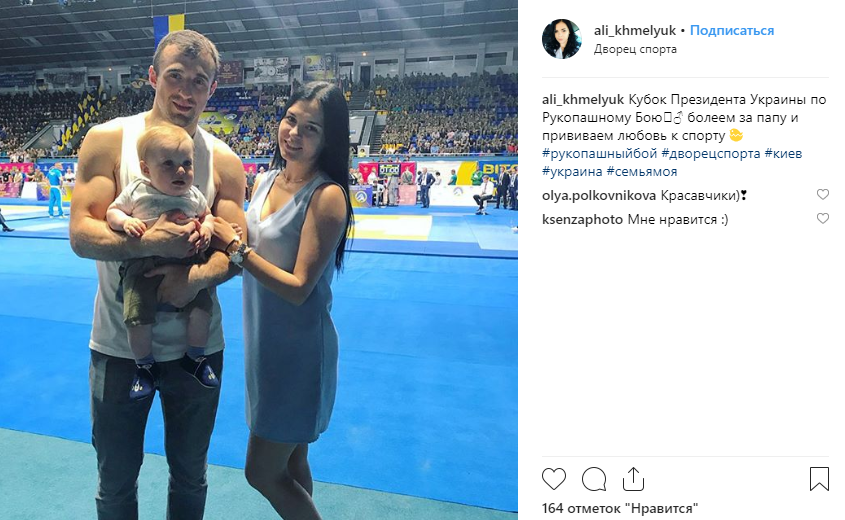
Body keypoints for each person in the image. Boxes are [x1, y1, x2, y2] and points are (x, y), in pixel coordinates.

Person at [69, 30, 246, 520]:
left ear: (212, 89)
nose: (186, 91)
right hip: (119, 346)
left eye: (199, 81)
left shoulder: (224, 161)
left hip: (198, 347)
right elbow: (81, 234)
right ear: (152, 77)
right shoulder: (109, 140)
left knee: (190, 476)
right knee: (115, 480)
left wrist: (192, 280)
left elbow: (237, 250)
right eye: (175, 76)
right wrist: (150, 242)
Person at [209, 81, 352, 520]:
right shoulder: (266, 180)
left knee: (261, 471)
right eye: (291, 119)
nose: (294, 133)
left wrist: (236, 250)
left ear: (328, 140)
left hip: (300, 354)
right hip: (264, 346)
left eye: (311, 128)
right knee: (292, 462)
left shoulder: (327, 196)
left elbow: (298, 287)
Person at [106, 124, 220, 401]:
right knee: (137, 316)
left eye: (186, 164)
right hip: (143, 265)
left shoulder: (193, 195)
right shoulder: (137, 191)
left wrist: (207, 227)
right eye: (168, 164)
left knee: (202, 308)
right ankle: (145, 366)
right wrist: (125, 222)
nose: (180, 171)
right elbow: (112, 212)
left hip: (189, 263)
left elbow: (208, 215)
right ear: (146, 169)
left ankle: (195, 357)